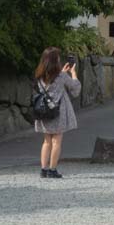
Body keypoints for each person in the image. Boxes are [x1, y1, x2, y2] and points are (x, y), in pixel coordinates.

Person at [30, 47, 83, 179]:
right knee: (56, 142)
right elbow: (75, 89)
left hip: (44, 111)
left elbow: (52, 84)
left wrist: (63, 73)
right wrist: (73, 73)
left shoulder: (40, 74)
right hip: (57, 111)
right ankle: (52, 170)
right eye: (58, 58)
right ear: (55, 61)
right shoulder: (62, 76)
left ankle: (43, 169)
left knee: (46, 141)